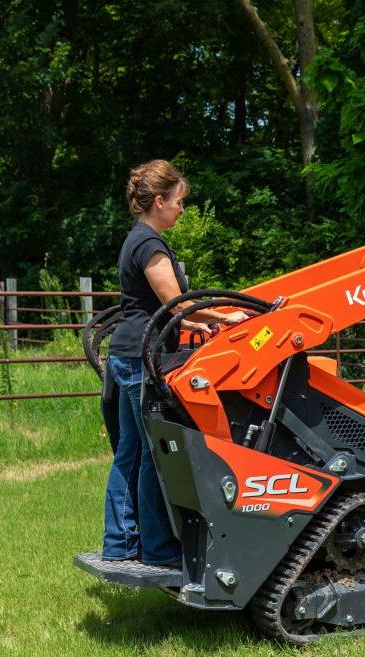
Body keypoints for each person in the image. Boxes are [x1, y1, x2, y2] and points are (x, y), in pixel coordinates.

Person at [101, 159, 248, 566]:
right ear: (160, 201)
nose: (182, 210)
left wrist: (206, 322)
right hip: (141, 358)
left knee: (129, 452)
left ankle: (120, 543)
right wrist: (227, 315)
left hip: (127, 353)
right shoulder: (150, 245)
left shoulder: (136, 237)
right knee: (154, 452)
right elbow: (175, 304)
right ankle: (157, 548)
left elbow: (170, 310)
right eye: (180, 202)